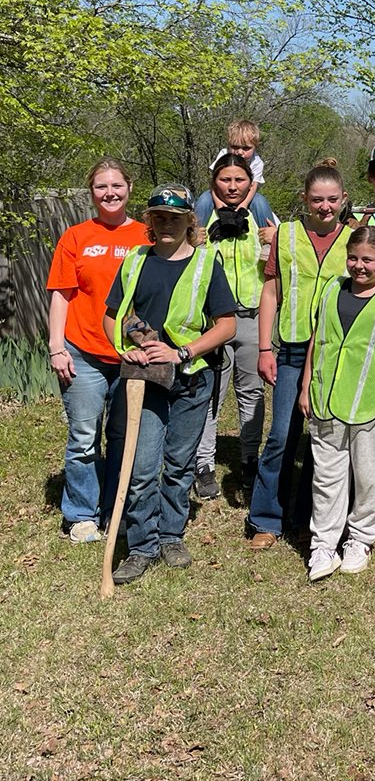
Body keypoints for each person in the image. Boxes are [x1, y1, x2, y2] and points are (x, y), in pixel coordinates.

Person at [102, 185, 237, 585]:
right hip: (144, 381)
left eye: (175, 218)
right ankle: (142, 545)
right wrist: (129, 346)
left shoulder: (205, 264)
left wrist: (183, 352)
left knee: (178, 465)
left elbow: (226, 325)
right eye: (159, 217)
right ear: (150, 221)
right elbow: (113, 315)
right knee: (142, 467)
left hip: (192, 380)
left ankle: (170, 535)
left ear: (189, 222)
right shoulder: (134, 261)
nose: (166, 224)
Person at [298, 226, 375, 581]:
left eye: (368, 259)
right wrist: (306, 386)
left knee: (368, 477)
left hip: (374, 404)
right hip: (326, 401)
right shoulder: (332, 288)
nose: (359, 266)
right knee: (326, 477)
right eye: (353, 257)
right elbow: (317, 340)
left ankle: (361, 538)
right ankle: (323, 544)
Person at [248, 159, 352, 551]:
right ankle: (266, 519)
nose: (324, 207)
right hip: (291, 350)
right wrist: (263, 348)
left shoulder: (356, 238)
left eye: (331, 200)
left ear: (343, 199)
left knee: (323, 441)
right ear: (304, 200)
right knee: (280, 436)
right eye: (316, 200)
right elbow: (271, 292)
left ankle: (311, 519)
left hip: (333, 353)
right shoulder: (286, 236)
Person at [46, 159, 148, 543]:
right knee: (85, 437)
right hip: (83, 351)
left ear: (129, 188)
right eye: (101, 187)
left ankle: (115, 510)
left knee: (124, 436)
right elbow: (61, 294)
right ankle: (81, 514)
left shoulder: (146, 235)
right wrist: (57, 347)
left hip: (129, 356)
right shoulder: (75, 237)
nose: (110, 193)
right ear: (91, 192)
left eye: (116, 186)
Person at [192, 155, 277, 500]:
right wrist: (194, 241)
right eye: (225, 180)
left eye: (239, 180)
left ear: (249, 183)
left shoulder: (261, 216)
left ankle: (248, 459)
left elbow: (280, 262)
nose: (232, 186)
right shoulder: (200, 219)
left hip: (253, 317)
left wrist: (274, 238)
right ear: (215, 182)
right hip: (214, 321)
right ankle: (204, 464)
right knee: (211, 392)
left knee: (251, 393)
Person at [210, 119, 266, 211]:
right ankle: (197, 225)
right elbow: (213, 181)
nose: (240, 152)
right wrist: (217, 201)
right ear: (229, 145)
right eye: (235, 147)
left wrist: (245, 203)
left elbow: (254, 186)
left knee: (260, 203)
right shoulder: (223, 154)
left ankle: (269, 225)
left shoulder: (257, 162)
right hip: (219, 193)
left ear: (255, 147)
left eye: (246, 148)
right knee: (204, 201)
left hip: (246, 195)